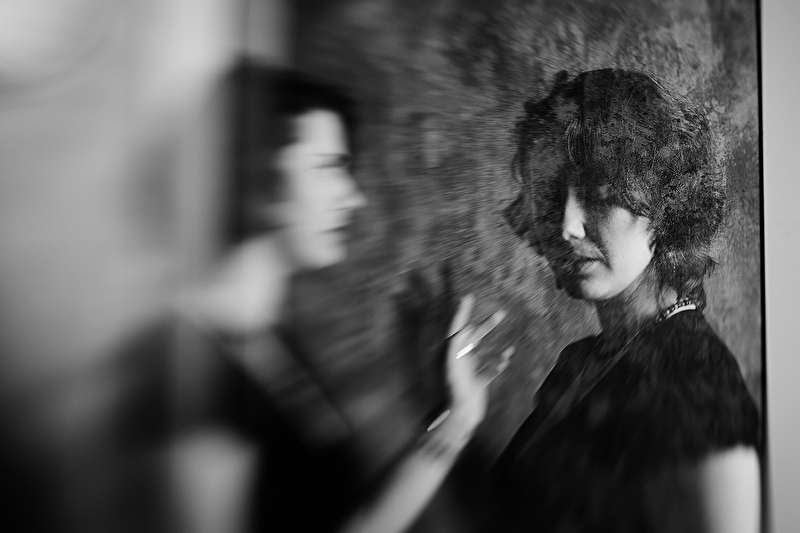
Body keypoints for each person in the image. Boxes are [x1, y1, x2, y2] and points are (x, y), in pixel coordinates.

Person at [181, 63, 510, 533]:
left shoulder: (266, 344)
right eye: (328, 166)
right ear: (258, 169)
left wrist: (459, 419)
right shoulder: (190, 367)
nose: (352, 197)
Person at [482, 68, 761, 532]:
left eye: (598, 193)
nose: (567, 225)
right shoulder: (584, 360)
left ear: (665, 205)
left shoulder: (698, 390)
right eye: (552, 195)